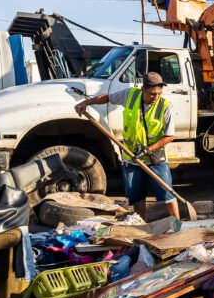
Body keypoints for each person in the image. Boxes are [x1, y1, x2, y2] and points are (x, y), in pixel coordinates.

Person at [73, 72, 179, 218]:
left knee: (168, 196)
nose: (155, 97)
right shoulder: (130, 95)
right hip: (131, 157)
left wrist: (149, 150)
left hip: (155, 159)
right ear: (143, 89)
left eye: (159, 93)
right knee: (136, 200)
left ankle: (177, 226)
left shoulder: (165, 106)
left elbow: (169, 136)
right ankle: (140, 227)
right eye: (152, 94)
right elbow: (107, 97)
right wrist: (86, 103)